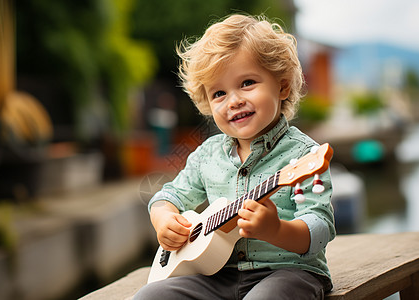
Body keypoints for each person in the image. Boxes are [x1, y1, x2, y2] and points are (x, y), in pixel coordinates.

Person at [135, 14, 335, 299]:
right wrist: (163, 219)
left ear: (282, 86)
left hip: (288, 272)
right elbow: (169, 195)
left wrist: (276, 229)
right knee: (148, 296)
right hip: (218, 276)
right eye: (219, 93)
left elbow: (320, 228)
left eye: (247, 83)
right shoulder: (207, 155)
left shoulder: (303, 155)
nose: (234, 100)